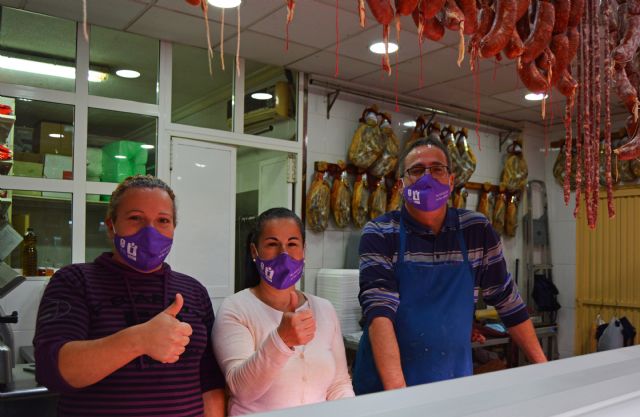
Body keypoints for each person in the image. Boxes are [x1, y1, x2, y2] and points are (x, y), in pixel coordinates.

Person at [352, 138, 547, 394]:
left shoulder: (475, 230)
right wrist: (397, 396)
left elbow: (508, 302)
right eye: (417, 170)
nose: (428, 177)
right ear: (401, 185)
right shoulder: (380, 232)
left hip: (453, 383)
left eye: (437, 169)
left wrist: (545, 370)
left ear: (451, 180)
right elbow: (379, 313)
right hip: (386, 387)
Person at [33, 175, 225, 417]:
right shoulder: (75, 281)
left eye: (163, 220)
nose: (150, 231)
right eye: (136, 218)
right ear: (111, 226)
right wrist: (139, 340)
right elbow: (52, 371)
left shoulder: (193, 291)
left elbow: (209, 382)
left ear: (173, 227)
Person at [212, 207, 354, 416]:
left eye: (292, 244)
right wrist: (281, 340)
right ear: (254, 251)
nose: (284, 254)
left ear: (303, 250)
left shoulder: (324, 309)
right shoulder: (236, 308)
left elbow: (339, 385)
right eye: (272, 244)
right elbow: (241, 389)